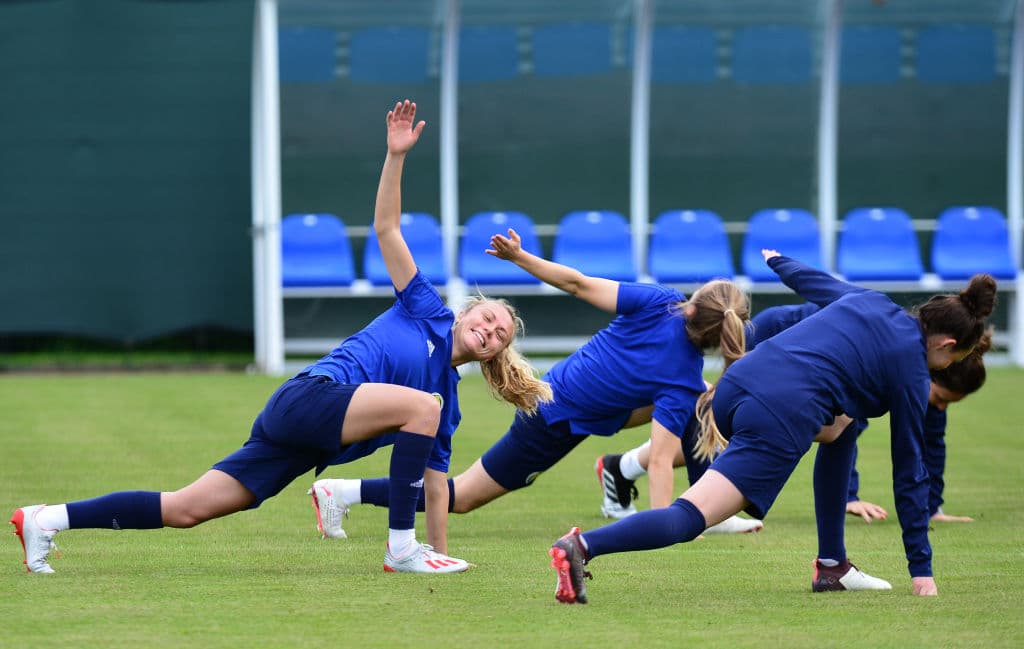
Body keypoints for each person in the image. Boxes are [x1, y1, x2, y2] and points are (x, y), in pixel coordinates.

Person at [9, 99, 550, 575]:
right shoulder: (425, 310)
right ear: (464, 316)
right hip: (309, 397)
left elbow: (435, 487)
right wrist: (396, 155)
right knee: (421, 407)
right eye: (486, 319)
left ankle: (46, 519)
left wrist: (440, 552)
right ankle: (399, 549)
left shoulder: (444, 403)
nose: (490, 330)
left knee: (186, 509)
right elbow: (387, 229)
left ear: (496, 354)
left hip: (304, 440)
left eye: (500, 335)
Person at [547, 250, 995, 603]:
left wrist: (780, 262)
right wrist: (922, 570)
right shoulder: (913, 372)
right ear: (948, 344)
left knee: (843, 426)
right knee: (689, 518)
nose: (943, 368)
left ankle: (833, 566)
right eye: (952, 361)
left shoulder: (873, 302)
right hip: (780, 410)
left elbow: (819, 284)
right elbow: (909, 470)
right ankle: (582, 548)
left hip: (737, 384)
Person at [307, 223, 756, 546]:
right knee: (460, 497)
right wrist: (662, 527)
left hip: (568, 400)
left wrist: (520, 257)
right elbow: (660, 459)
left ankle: (646, 481)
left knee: (702, 407)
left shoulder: (664, 308)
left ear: (695, 308)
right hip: (551, 417)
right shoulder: (680, 369)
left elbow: (578, 283)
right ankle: (344, 492)